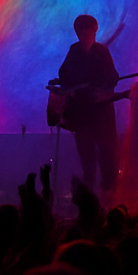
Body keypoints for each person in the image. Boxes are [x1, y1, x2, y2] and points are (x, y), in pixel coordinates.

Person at [51, 14, 128, 197]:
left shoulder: (101, 52)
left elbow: (111, 78)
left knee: (107, 153)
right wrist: (72, 89)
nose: (85, 35)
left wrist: (99, 91)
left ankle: (108, 192)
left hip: (101, 112)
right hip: (83, 114)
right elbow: (65, 76)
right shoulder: (74, 52)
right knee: (87, 155)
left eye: (88, 31)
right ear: (78, 33)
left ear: (94, 32)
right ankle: (90, 193)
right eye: (82, 31)